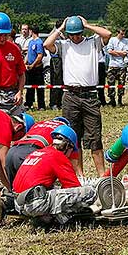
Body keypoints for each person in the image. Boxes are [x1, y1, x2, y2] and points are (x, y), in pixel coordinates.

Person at [44, 16, 111, 177]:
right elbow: (47, 44)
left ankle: (101, 175)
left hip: (90, 95)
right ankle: (79, 176)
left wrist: (88, 25)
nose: (75, 37)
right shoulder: (64, 45)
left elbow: (107, 34)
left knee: (95, 137)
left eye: (78, 34)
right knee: (73, 138)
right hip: (70, 95)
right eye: (72, 34)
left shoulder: (93, 43)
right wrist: (60, 29)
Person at [12, 125, 96, 225]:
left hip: (18, 204)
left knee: (54, 190)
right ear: (68, 146)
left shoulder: (37, 152)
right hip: (35, 204)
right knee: (89, 192)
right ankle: (60, 218)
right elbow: (73, 186)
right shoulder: (58, 156)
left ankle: (44, 217)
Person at [5, 116, 81, 187]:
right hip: (29, 151)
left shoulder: (38, 124)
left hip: (12, 151)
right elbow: (74, 163)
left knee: (15, 189)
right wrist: (79, 176)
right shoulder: (67, 134)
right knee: (38, 185)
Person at [0, 12, 26, 114]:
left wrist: (20, 92)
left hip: (12, 94)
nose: (2, 38)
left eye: (6, 35)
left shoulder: (14, 48)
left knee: (19, 125)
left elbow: (21, 73)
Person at [24, 25, 46, 110]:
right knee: (29, 87)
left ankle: (41, 105)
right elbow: (28, 54)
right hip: (30, 68)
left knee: (39, 87)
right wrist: (24, 63)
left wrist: (33, 65)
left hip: (37, 68)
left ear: (31, 31)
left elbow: (40, 56)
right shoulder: (30, 42)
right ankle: (29, 103)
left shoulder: (39, 42)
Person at [107, 29, 128, 107]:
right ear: (117, 33)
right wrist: (120, 53)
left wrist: (115, 52)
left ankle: (120, 100)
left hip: (121, 65)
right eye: (121, 34)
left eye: (124, 34)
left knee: (121, 84)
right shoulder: (112, 40)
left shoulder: (126, 41)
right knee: (111, 83)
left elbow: (126, 52)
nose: (123, 35)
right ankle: (112, 100)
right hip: (112, 65)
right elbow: (109, 51)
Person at [48, 20, 65, 110]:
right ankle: (53, 103)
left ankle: (60, 102)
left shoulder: (62, 34)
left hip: (62, 59)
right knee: (55, 81)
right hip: (55, 59)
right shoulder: (54, 34)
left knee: (62, 82)